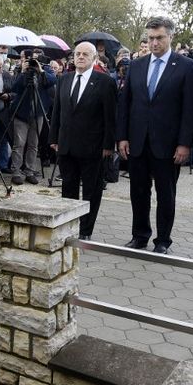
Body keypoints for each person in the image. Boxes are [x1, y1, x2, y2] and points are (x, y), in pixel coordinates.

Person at [117, 18, 193, 254]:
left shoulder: (184, 66)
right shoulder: (138, 65)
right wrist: (122, 137)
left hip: (168, 144)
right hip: (138, 141)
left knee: (166, 194)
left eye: (159, 38)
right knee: (138, 192)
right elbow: (126, 104)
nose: (154, 42)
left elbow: (190, 109)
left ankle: (163, 240)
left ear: (170, 37)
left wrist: (185, 143)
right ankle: (139, 235)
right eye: (151, 38)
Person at [48, 41, 116, 240]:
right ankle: (68, 227)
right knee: (68, 187)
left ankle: (85, 230)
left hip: (93, 147)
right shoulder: (64, 79)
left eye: (86, 54)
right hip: (67, 145)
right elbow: (57, 111)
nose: (80, 57)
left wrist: (108, 145)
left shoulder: (105, 82)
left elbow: (110, 117)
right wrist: (53, 138)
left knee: (91, 191)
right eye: (77, 53)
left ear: (94, 58)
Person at [8, 52, 56, 185]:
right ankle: (16, 171)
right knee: (19, 144)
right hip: (21, 113)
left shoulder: (44, 70)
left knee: (33, 144)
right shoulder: (22, 71)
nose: (32, 63)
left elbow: (53, 80)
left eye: (35, 60)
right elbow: (14, 87)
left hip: (38, 113)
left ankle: (29, 171)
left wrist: (40, 70)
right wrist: (23, 71)